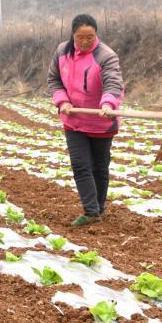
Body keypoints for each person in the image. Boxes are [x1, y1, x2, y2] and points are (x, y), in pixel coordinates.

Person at [47, 14, 124, 226]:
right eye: (80, 37)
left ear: (96, 35)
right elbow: (53, 80)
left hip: (101, 121)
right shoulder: (62, 52)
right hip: (73, 120)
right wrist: (62, 102)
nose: (85, 41)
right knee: (81, 166)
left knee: (100, 167)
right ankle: (91, 212)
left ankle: (98, 209)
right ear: (72, 35)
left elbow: (113, 83)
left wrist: (108, 104)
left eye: (90, 37)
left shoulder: (106, 56)